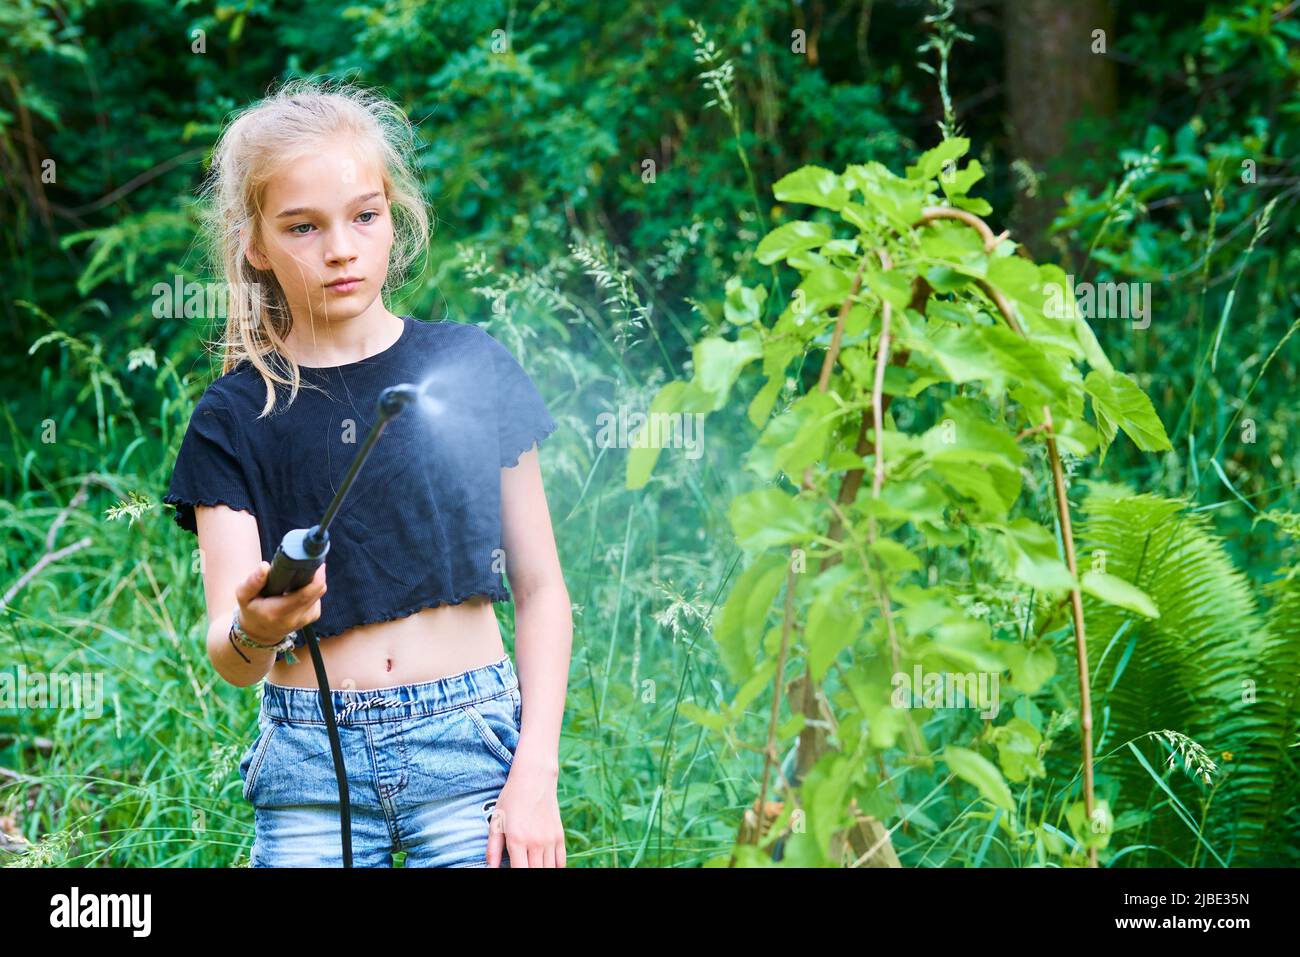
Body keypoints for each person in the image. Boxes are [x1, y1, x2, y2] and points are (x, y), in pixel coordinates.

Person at [162, 76, 571, 867]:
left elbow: (543, 588)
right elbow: (233, 657)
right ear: (255, 243)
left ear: (394, 214)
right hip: (311, 772)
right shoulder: (232, 417)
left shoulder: (469, 366)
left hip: (471, 754)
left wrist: (536, 774)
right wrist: (259, 624)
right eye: (302, 227)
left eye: (364, 216)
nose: (341, 248)